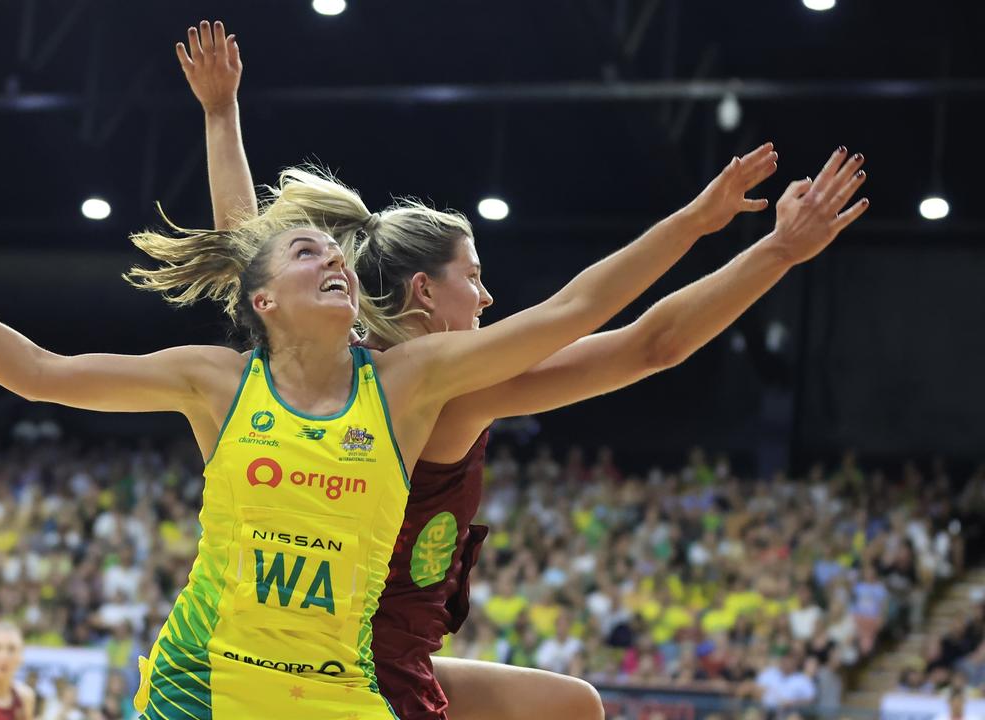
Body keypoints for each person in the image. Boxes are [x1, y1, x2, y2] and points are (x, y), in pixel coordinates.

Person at [0, 152, 745, 716]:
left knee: (573, 706)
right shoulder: (220, 381)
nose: (331, 258)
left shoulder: (414, 382)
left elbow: (582, 311)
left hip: (337, 688)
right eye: (309, 255)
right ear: (264, 301)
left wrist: (704, 223)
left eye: (334, 253)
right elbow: (40, 373)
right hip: (202, 681)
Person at [175, 18, 869, 720]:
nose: (486, 295)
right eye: (473, 277)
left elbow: (249, 255)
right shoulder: (431, 395)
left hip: (374, 648)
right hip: (353, 669)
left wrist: (220, 114)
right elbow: (647, 343)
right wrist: (770, 251)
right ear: (423, 292)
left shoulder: (332, 367)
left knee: (570, 706)